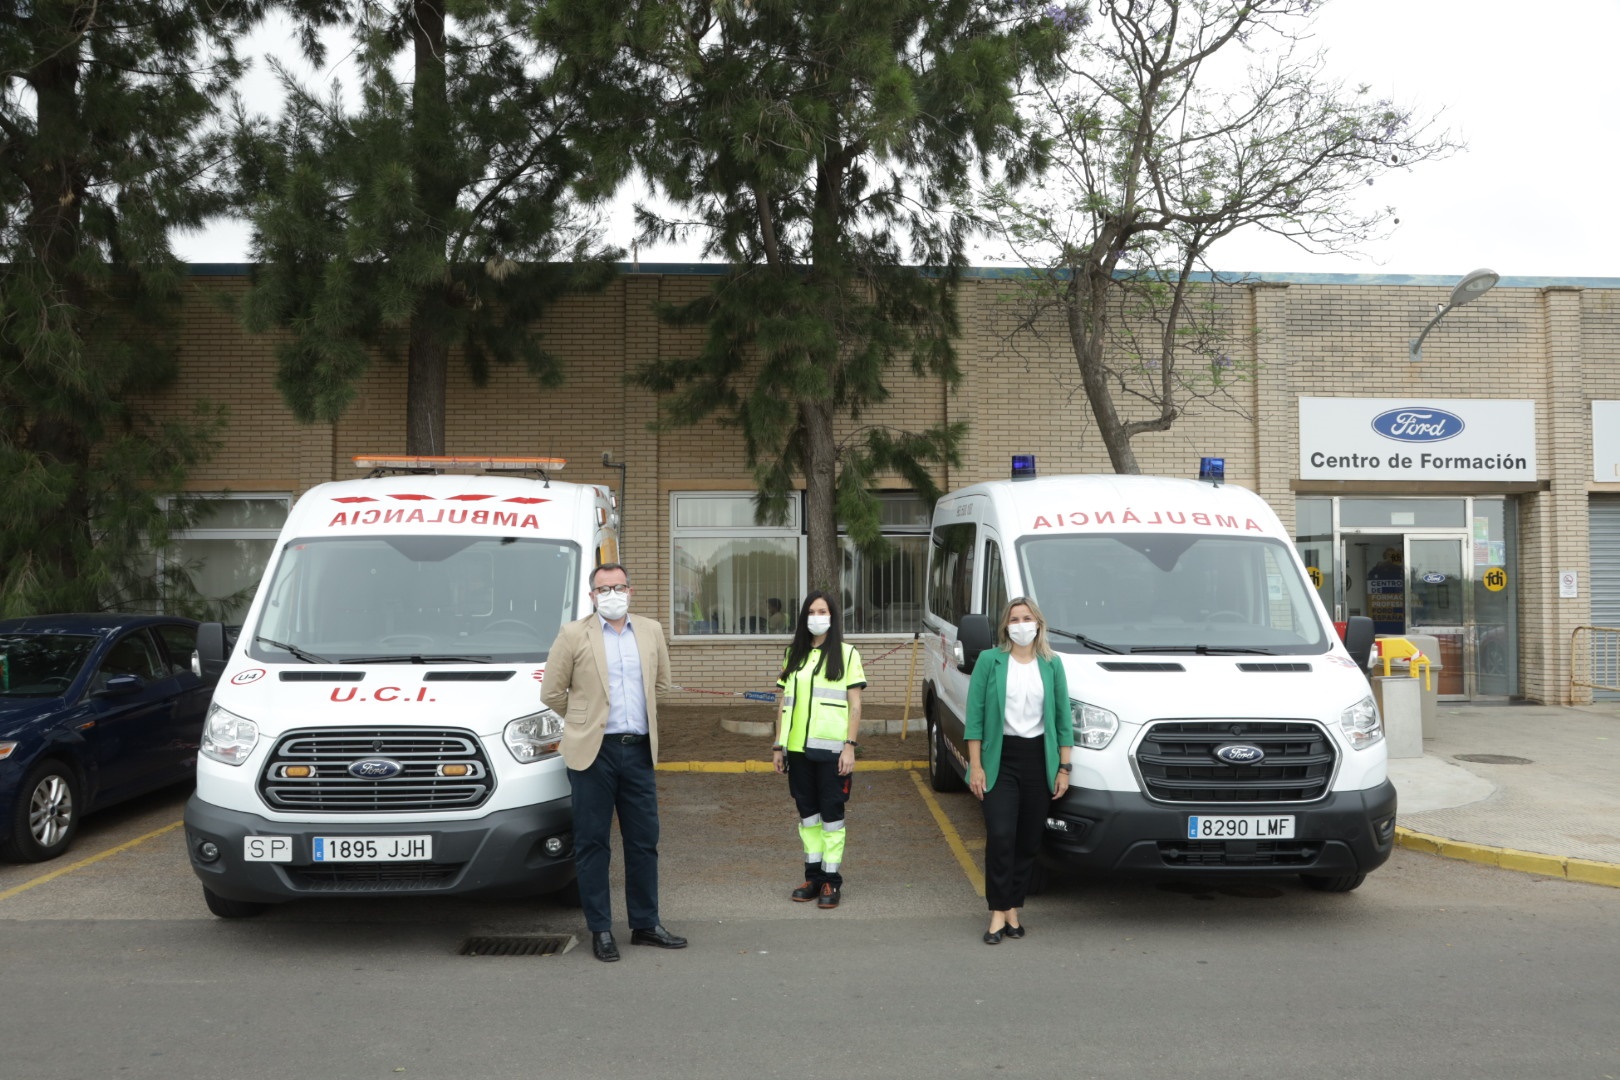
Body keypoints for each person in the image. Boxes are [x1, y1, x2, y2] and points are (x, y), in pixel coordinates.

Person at [541, 563, 686, 962]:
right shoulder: (574, 634)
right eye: (603, 589)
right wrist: (584, 718)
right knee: (592, 843)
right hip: (594, 753)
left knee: (644, 841)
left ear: (630, 590)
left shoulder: (650, 630)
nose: (611, 594)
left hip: (638, 751)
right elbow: (551, 692)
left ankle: (645, 924)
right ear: (592, 595)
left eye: (618, 586)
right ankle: (600, 929)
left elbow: (661, 685)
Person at [966, 596, 1074, 944]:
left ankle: (1012, 906)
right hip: (1000, 759)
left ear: (1038, 624)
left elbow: (1062, 721)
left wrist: (1064, 768)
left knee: (1027, 841)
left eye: (1027, 618)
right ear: (1006, 625)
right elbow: (976, 718)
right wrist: (976, 766)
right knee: (1000, 835)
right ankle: (998, 912)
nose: (1021, 624)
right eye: (1014, 619)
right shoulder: (989, 661)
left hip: (1038, 761)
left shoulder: (1052, 664)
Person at [770, 591, 865, 910]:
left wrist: (849, 747)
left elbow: (855, 704)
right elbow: (783, 703)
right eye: (811, 611)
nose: (816, 616)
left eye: (822, 611)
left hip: (832, 752)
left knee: (832, 818)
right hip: (796, 751)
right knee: (808, 817)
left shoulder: (847, 654)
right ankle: (812, 877)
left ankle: (831, 880)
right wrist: (778, 746)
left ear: (832, 616)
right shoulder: (792, 655)